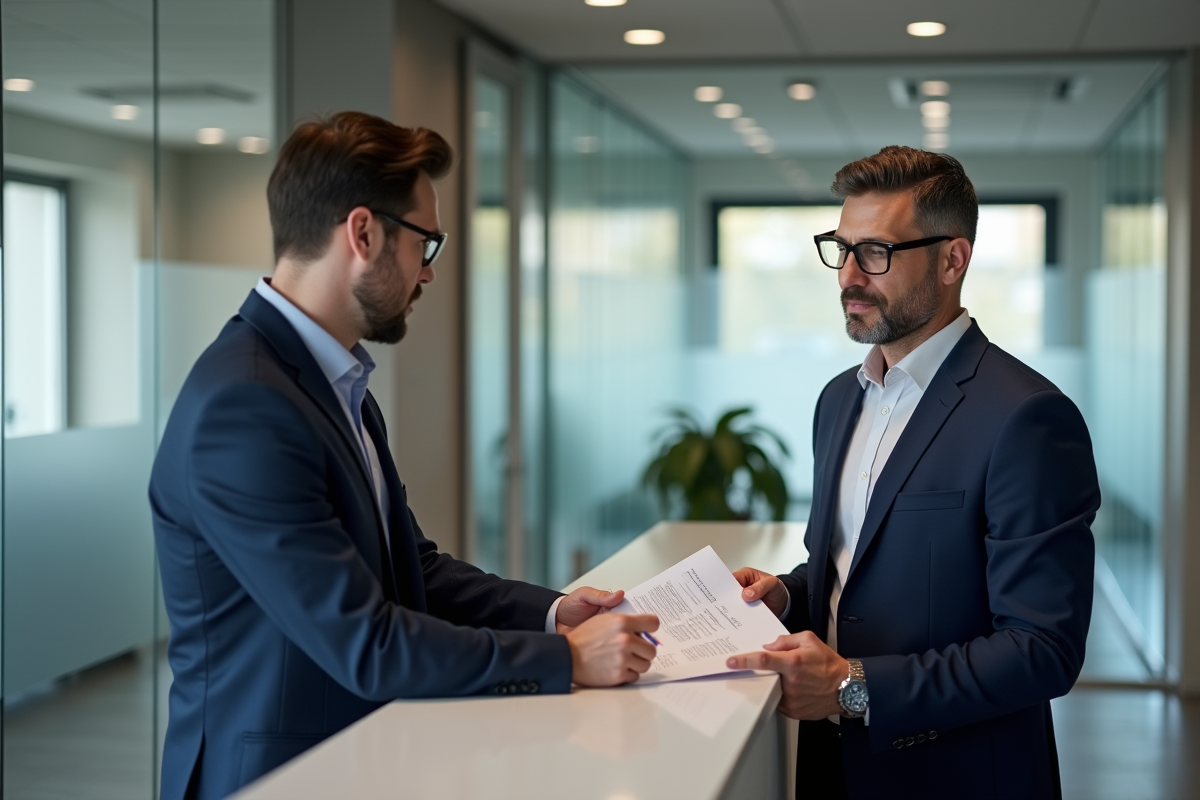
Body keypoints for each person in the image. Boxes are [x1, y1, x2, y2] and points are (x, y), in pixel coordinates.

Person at [149, 111, 659, 800]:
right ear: (363, 233)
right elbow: (366, 641)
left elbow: (408, 568)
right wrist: (564, 658)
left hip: (357, 756)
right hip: (276, 776)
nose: (429, 273)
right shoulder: (245, 405)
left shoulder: (330, 379)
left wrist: (551, 614)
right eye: (428, 243)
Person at [726, 146, 1100, 799]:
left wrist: (850, 687)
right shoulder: (839, 399)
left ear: (953, 260)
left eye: (875, 252)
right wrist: (788, 596)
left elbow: (1043, 649)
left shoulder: (1028, 418)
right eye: (840, 249)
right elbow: (856, 572)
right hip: (833, 770)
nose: (847, 275)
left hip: (957, 776)